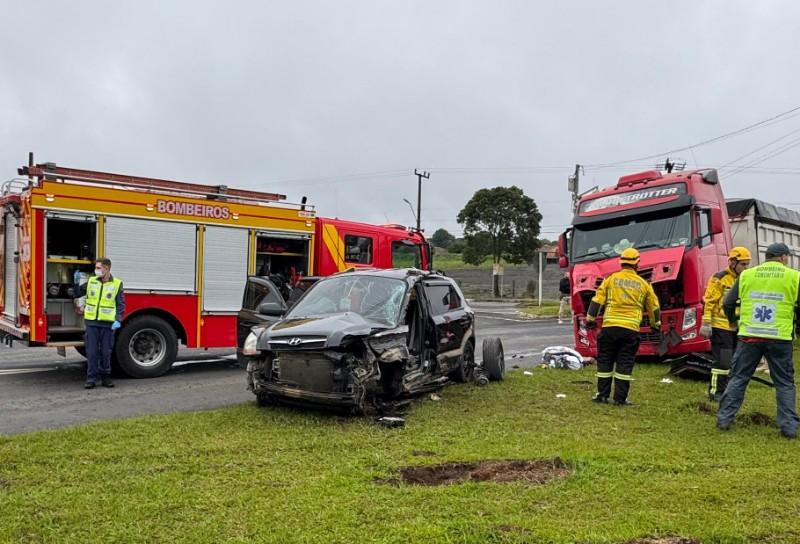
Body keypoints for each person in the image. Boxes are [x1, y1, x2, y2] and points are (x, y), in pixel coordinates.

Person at [717, 242, 800, 438]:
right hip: (779, 337)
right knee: (784, 383)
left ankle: (724, 419)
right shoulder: (794, 276)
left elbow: (728, 302)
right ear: (782, 257)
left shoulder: (747, 275)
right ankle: (788, 428)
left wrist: (733, 322)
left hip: (750, 336)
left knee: (738, 377)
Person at [584, 247, 661, 406]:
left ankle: (602, 396)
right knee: (624, 364)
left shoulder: (611, 279)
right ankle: (620, 399)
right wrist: (656, 325)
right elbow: (654, 307)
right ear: (637, 264)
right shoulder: (643, 284)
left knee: (605, 362)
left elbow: (597, 299)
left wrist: (590, 318)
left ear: (621, 263)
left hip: (610, 327)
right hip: (630, 330)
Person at [700, 247, 751, 401]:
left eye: (747, 264)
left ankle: (727, 390)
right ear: (732, 262)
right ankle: (715, 391)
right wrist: (706, 322)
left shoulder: (745, 278)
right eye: (743, 264)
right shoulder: (719, 278)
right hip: (721, 327)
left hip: (737, 327)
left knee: (733, 361)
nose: (745, 268)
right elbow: (710, 301)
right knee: (723, 361)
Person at [74, 258, 125, 389]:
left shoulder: (117, 284)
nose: (96, 270)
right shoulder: (91, 281)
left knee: (106, 352)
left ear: (107, 268)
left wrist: (118, 320)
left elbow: (120, 304)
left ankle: (106, 377)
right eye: (96, 268)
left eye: (98, 268)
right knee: (92, 352)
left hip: (107, 324)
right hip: (91, 323)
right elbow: (78, 292)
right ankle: (91, 378)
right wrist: (75, 283)